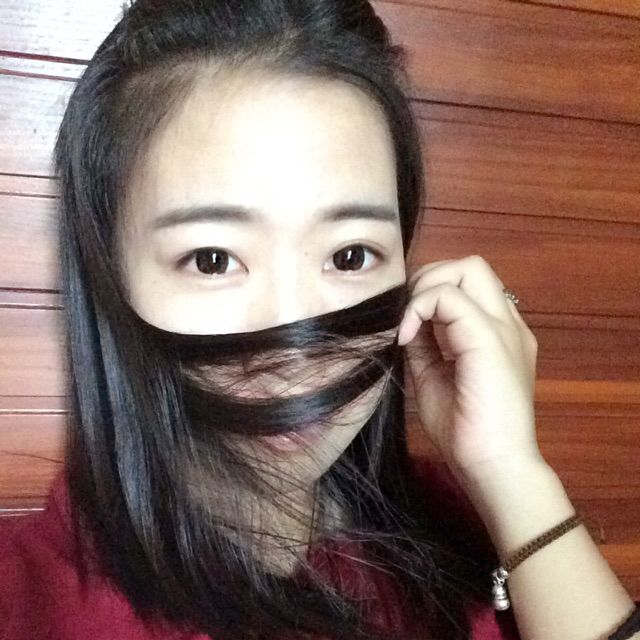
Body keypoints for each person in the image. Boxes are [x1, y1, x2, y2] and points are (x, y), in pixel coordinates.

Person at [1, 1, 638, 639]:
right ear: (108, 276)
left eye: (350, 256)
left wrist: (510, 474)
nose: (295, 357)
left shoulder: (462, 517)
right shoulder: (31, 601)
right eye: (212, 260)